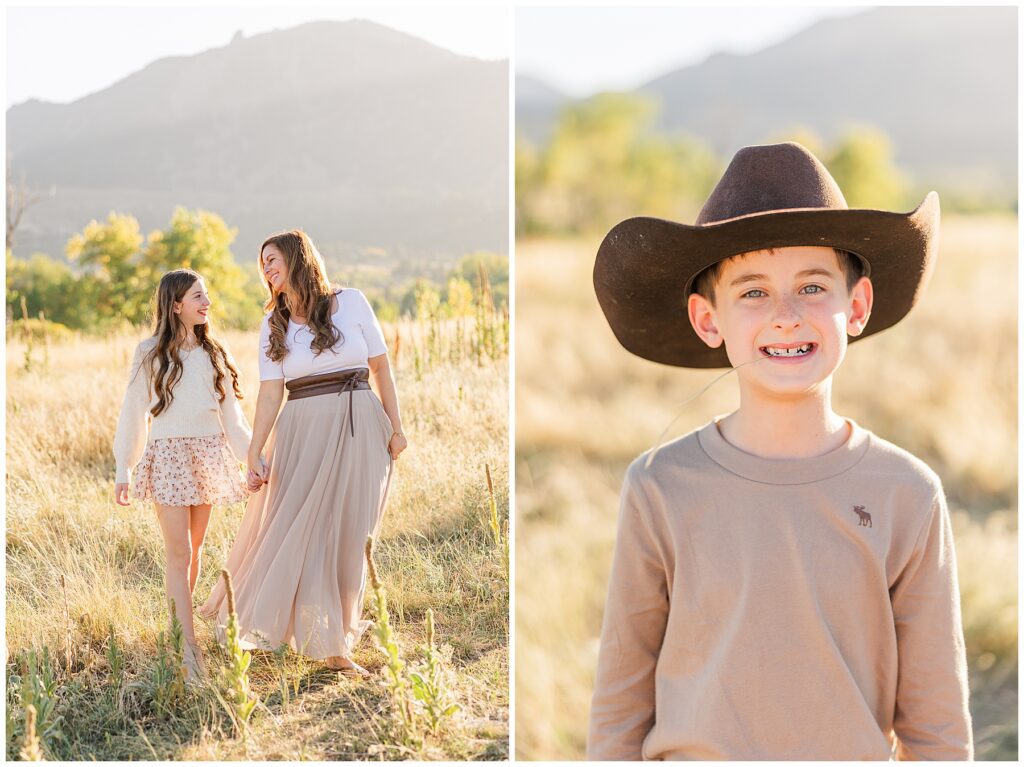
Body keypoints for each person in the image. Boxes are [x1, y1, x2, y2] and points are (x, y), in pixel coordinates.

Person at [587, 142, 972, 760]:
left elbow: (938, 729)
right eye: (752, 293)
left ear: (859, 306)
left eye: (813, 286)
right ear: (708, 319)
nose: (786, 315)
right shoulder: (660, 485)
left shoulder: (907, 493)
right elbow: (619, 707)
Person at [200, 229, 407, 676]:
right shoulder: (273, 324)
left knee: (352, 531)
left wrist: (397, 427)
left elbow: (381, 368)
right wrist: (254, 450)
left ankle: (337, 638)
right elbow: (270, 393)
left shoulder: (351, 302)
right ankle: (314, 639)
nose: (267, 271)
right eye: (263, 266)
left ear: (298, 258)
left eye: (272, 260)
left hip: (359, 422)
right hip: (301, 431)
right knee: (301, 529)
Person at [114, 269, 252, 682]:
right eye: (198, 296)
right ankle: (188, 652)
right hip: (169, 456)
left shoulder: (214, 353)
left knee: (194, 552)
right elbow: (132, 410)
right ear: (176, 305)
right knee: (179, 555)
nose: (207, 302)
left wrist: (253, 459)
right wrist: (125, 466)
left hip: (208, 454)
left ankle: (178, 631)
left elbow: (233, 416)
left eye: (207, 294)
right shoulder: (148, 352)